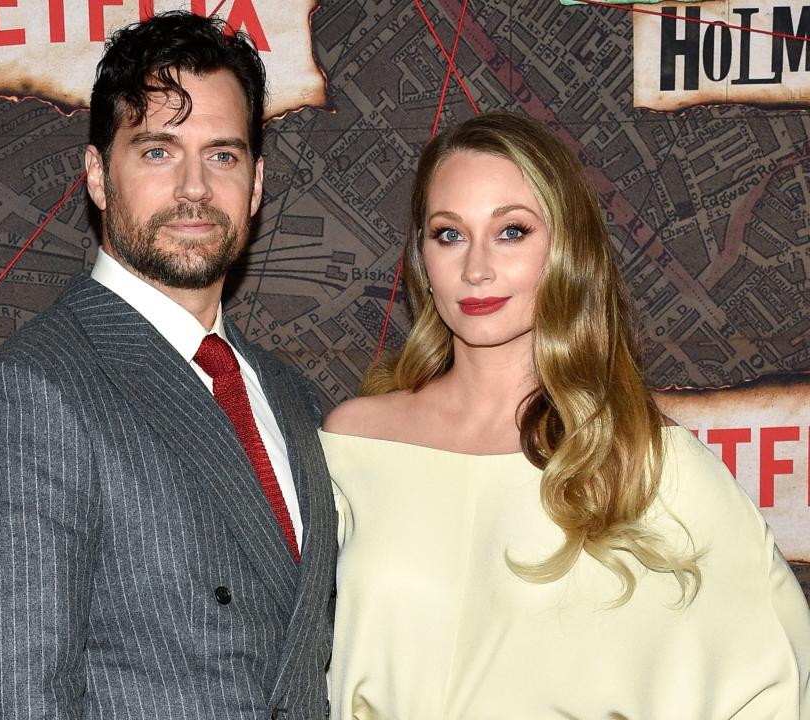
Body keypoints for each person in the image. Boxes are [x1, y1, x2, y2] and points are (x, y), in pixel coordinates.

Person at [321, 111, 810, 719]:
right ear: (421, 255)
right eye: (449, 234)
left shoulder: (642, 461)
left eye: (512, 232)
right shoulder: (353, 444)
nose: (476, 268)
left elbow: (775, 677)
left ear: (567, 248)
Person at [0, 12, 335, 719]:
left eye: (224, 155)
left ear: (258, 182)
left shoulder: (296, 399)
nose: (196, 188)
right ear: (97, 176)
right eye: (157, 152)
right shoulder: (21, 403)